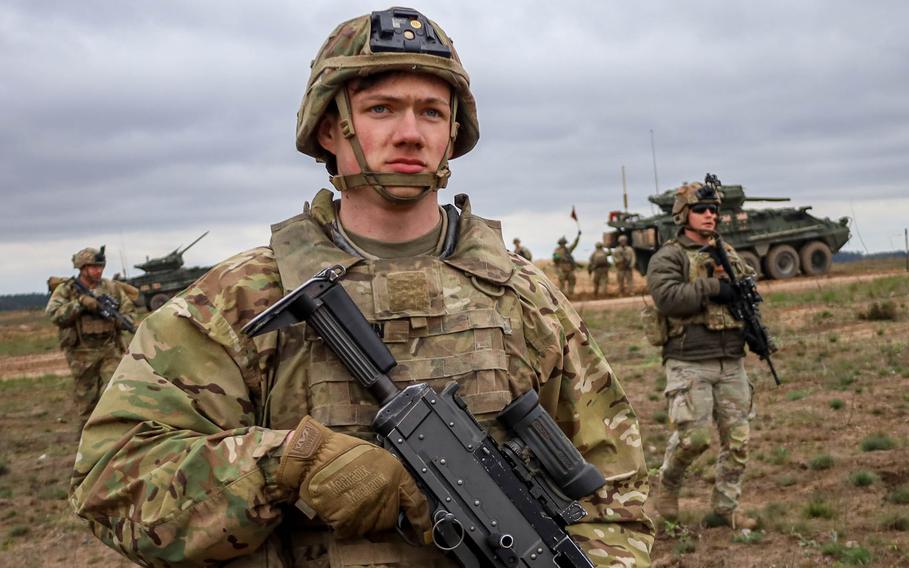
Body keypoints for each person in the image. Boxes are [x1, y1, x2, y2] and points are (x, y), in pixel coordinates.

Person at [70, 8, 654, 567]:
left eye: (430, 112)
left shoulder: (524, 297)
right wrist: (284, 465)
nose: (409, 134)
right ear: (330, 128)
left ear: (453, 134)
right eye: (381, 109)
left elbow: (615, 493)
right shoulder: (241, 298)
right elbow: (111, 481)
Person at [646, 181, 758, 530]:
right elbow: (668, 298)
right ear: (684, 215)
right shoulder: (670, 256)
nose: (710, 215)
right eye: (701, 209)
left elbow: (746, 293)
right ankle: (667, 487)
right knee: (694, 439)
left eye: (713, 210)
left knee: (738, 442)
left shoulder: (727, 253)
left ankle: (726, 510)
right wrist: (712, 287)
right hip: (689, 360)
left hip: (730, 361)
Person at [45, 246, 135, 430]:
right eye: (94, 267)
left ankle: (114, 437)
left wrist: (119, 320)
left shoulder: (111, 287)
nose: (99, 271)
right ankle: (87, 444)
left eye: (101, 267)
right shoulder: (67, 289)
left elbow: (128, 311)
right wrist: (80, 304)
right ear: (83, 268)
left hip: (110, 349)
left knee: (115, 392)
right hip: (81, 354)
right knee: (87, 402)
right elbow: (55, 315)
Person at [552, 231, 580, 296]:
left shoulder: (556, 251)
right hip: (568, 270)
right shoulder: (567, 250)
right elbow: (574, 245)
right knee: (571, 283)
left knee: (562, 285)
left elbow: (555, 261)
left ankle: (564, 297)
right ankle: (570, 295)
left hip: (562, 270)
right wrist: (578, 237)